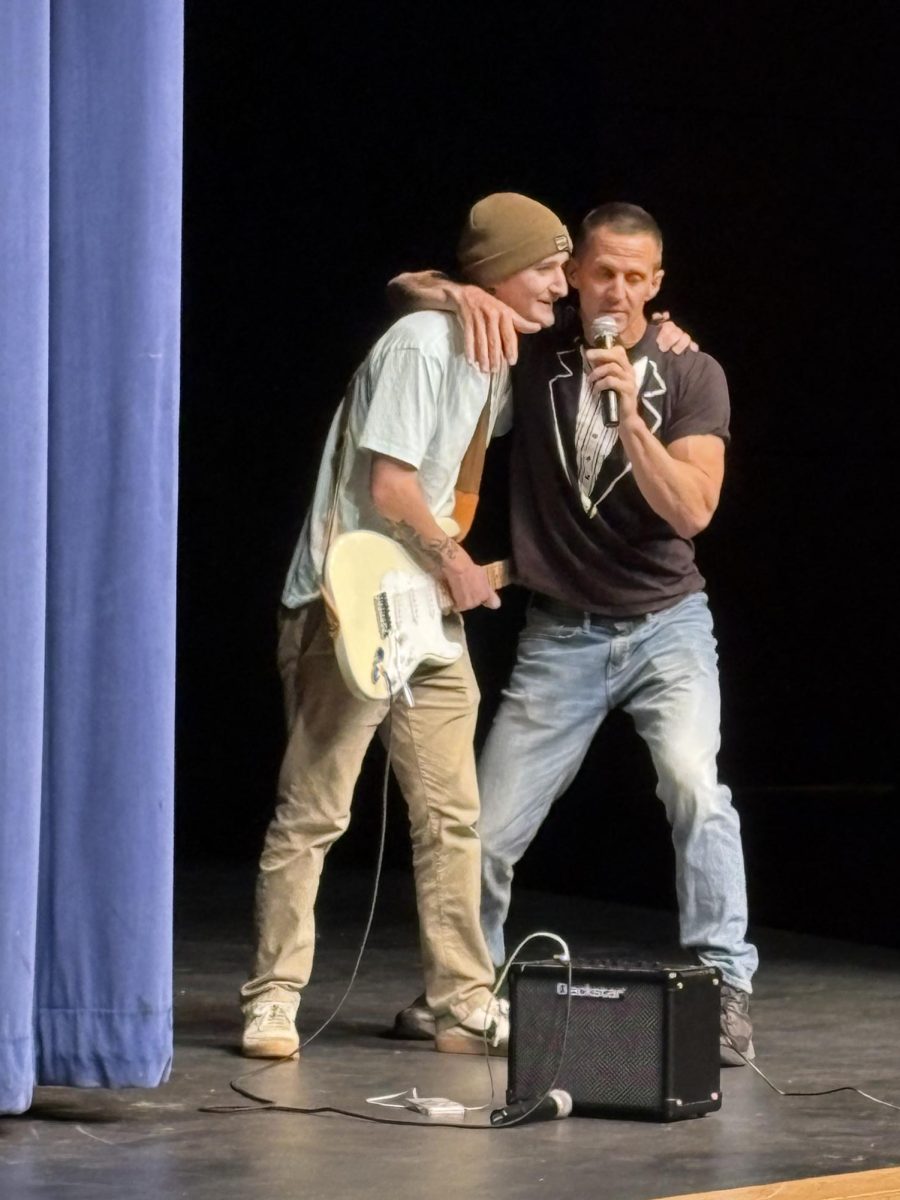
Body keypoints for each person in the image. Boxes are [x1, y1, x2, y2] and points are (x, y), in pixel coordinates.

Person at [391, 202, 758, 1066]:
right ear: (575, 275)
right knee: (484, 825)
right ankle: (462, 983)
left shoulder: (693, 373)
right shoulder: (532, 356)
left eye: (637, 278)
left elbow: (694, 511)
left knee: (695, 790)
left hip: (668, 625)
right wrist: (457, 294)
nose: (618, 291)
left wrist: (632, 415)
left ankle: (725, 985)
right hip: (563, 635)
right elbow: (404, 291)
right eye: (603, 272)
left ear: (657, 285)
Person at [239, 193, 573, 1059]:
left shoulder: (489, 353)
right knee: (315, 809)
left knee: (453, 815)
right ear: (499, 268)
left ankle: (462, 997)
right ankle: (272, 998)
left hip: (421, 609)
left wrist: (438, 289)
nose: (562, 285)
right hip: (348, 600)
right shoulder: (427, 344)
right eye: (548, 266)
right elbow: (390, 485)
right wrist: (455, 560)